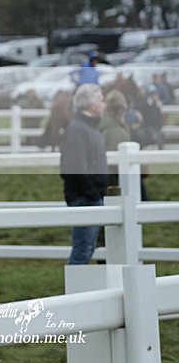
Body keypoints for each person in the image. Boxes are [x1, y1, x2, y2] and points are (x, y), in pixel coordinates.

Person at [60, 84, 107, 265]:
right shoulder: (78, 129)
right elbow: (74, 167)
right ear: (91, 104)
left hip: (90, 197)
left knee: (87, 249)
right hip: (85, 199)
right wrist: (93, 193)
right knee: (82, 251)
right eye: (101, 100)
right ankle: (73, 291)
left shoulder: (87, 128)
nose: (104, 104)